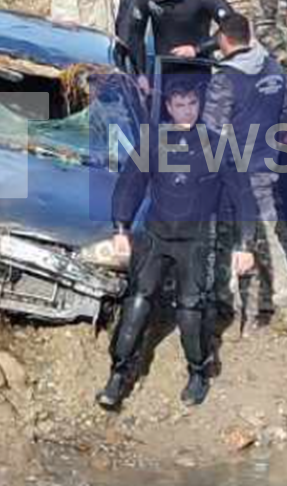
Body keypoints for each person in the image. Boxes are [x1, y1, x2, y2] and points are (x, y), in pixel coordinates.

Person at [97, 82, 254, 410]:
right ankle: (119, 373)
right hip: (156, 234)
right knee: (137, 301)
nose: (186, 110)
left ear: (199, 104)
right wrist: (121, 228)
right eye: (179, 104)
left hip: (196, 238)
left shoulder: (217, 144)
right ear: (169, 106)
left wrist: (244, 245)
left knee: (190, 309)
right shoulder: (153, 141)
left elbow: (243, 196)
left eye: (192, 103)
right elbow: (130, 184)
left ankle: (198, 372)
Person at [202, 13, 287, 333]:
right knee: (263, 232)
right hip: (267, 166)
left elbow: (212, 133)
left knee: (241, 236)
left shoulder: (225, 79)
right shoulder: (274, 68)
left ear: (224, 39)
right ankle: (271, 304)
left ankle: (248, 306)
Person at [118, 0, 234, 75]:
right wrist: (140, 74)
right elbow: (135, 34)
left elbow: (232, 26)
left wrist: (198, 49)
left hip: (198, 66)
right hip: (163, 69)